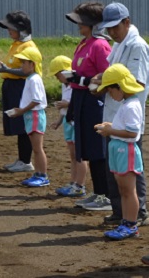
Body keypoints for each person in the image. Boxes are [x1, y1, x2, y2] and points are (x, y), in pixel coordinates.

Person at [97, 2, 149, 226]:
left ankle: (140, 213)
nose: (111, 33)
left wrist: (105, 83)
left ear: (127, 22)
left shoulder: (138, 46)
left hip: (128, 115)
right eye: (108, 28)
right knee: (115, 168)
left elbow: (136, 82)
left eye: (115, 27)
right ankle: (119, 211)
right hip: (114, 112)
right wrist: (100, 80)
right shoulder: (120, 44)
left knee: (131, 169)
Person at [64, 1, 112, 209]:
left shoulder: (101, 45)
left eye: (82, 23)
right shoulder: (84, 43)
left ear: (94, 24)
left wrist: (84, 81)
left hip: (95, 101)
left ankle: (106, 195)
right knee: (88, 148)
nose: (79, 26)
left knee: (97, 149)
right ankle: (98, 191)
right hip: (81, 98)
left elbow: (107, 77)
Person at [95, 63, 144, 240]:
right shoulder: (127, 104)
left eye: (110, 90)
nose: (109, 94)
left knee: (128, 190)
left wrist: (111, 131)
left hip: (125, 150)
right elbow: (125, 127)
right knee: (123, 189)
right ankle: (126, 221)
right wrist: (111, 127)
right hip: (119, 149)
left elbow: (133, 133)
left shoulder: (131, 106)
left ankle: (131, 225)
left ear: (120, 87)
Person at [0, 10, 37, 173]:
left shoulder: (28, 46)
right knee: (18, 125)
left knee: (23, 125)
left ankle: (26, 161)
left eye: (11, 28)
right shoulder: (16, 44)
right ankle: (22, 159)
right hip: (12, 87)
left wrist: (8, 70)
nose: (9, 31)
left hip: (21, 87)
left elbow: (27, 70)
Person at [48, 56, 87, 197]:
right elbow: (66, 108)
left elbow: (80, 104)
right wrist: (59, 121)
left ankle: (80, 185)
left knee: (80, 156)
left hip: (76, 121)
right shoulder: (65, 86)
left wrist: (67, 105)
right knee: (73, 155)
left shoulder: (77, 85)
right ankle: (73, 182)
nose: (57, 78)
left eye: (57, 75)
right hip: (68, 122)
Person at [9, 47, 49, 187]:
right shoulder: (31, 78)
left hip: (34, 115)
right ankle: (38, 174)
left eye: (24, 62)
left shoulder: (34, 79)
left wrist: (21, 111)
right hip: (30, 115)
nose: (22, 65)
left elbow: (36, 100)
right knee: (35, 148)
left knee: (38, 148)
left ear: (32, 64)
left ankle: (43, 175)